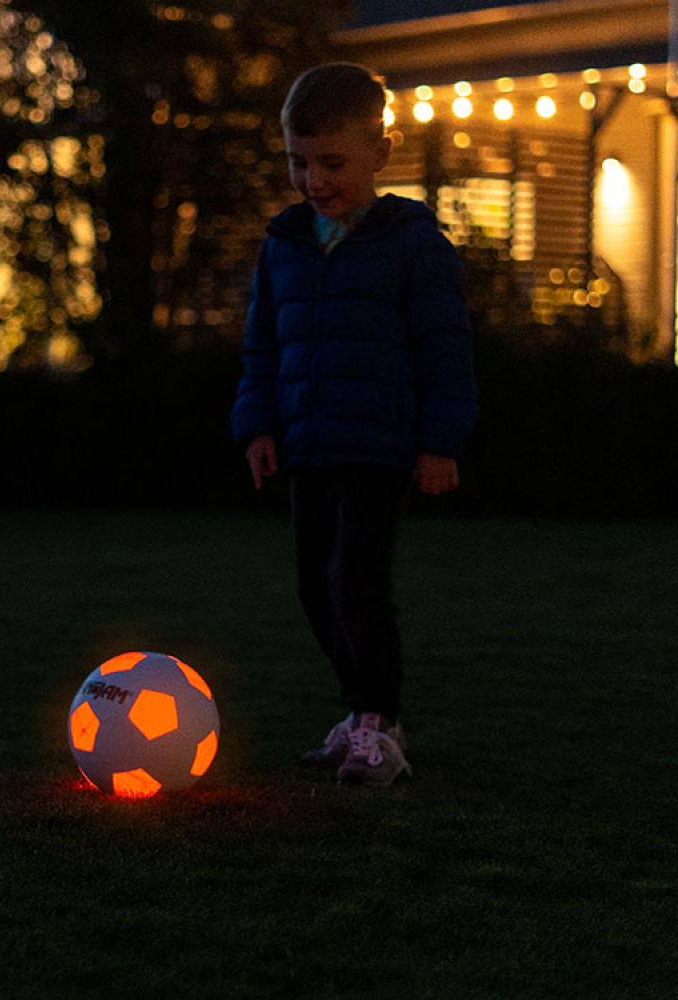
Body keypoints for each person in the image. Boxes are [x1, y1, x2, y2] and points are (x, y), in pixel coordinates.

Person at [230, 63, 477, 786]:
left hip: (380, 447)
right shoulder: (284, 245)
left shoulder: (414, 246)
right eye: (297, 163)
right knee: (316, 586)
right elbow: (262, 348)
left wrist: (440, 443)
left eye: (331, 163)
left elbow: (447, 352)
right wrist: (258, 426)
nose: (313, 180)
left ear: (381, 153)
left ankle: (376, 723)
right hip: (309, 445)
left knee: (356, 582)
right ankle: (366, 712)